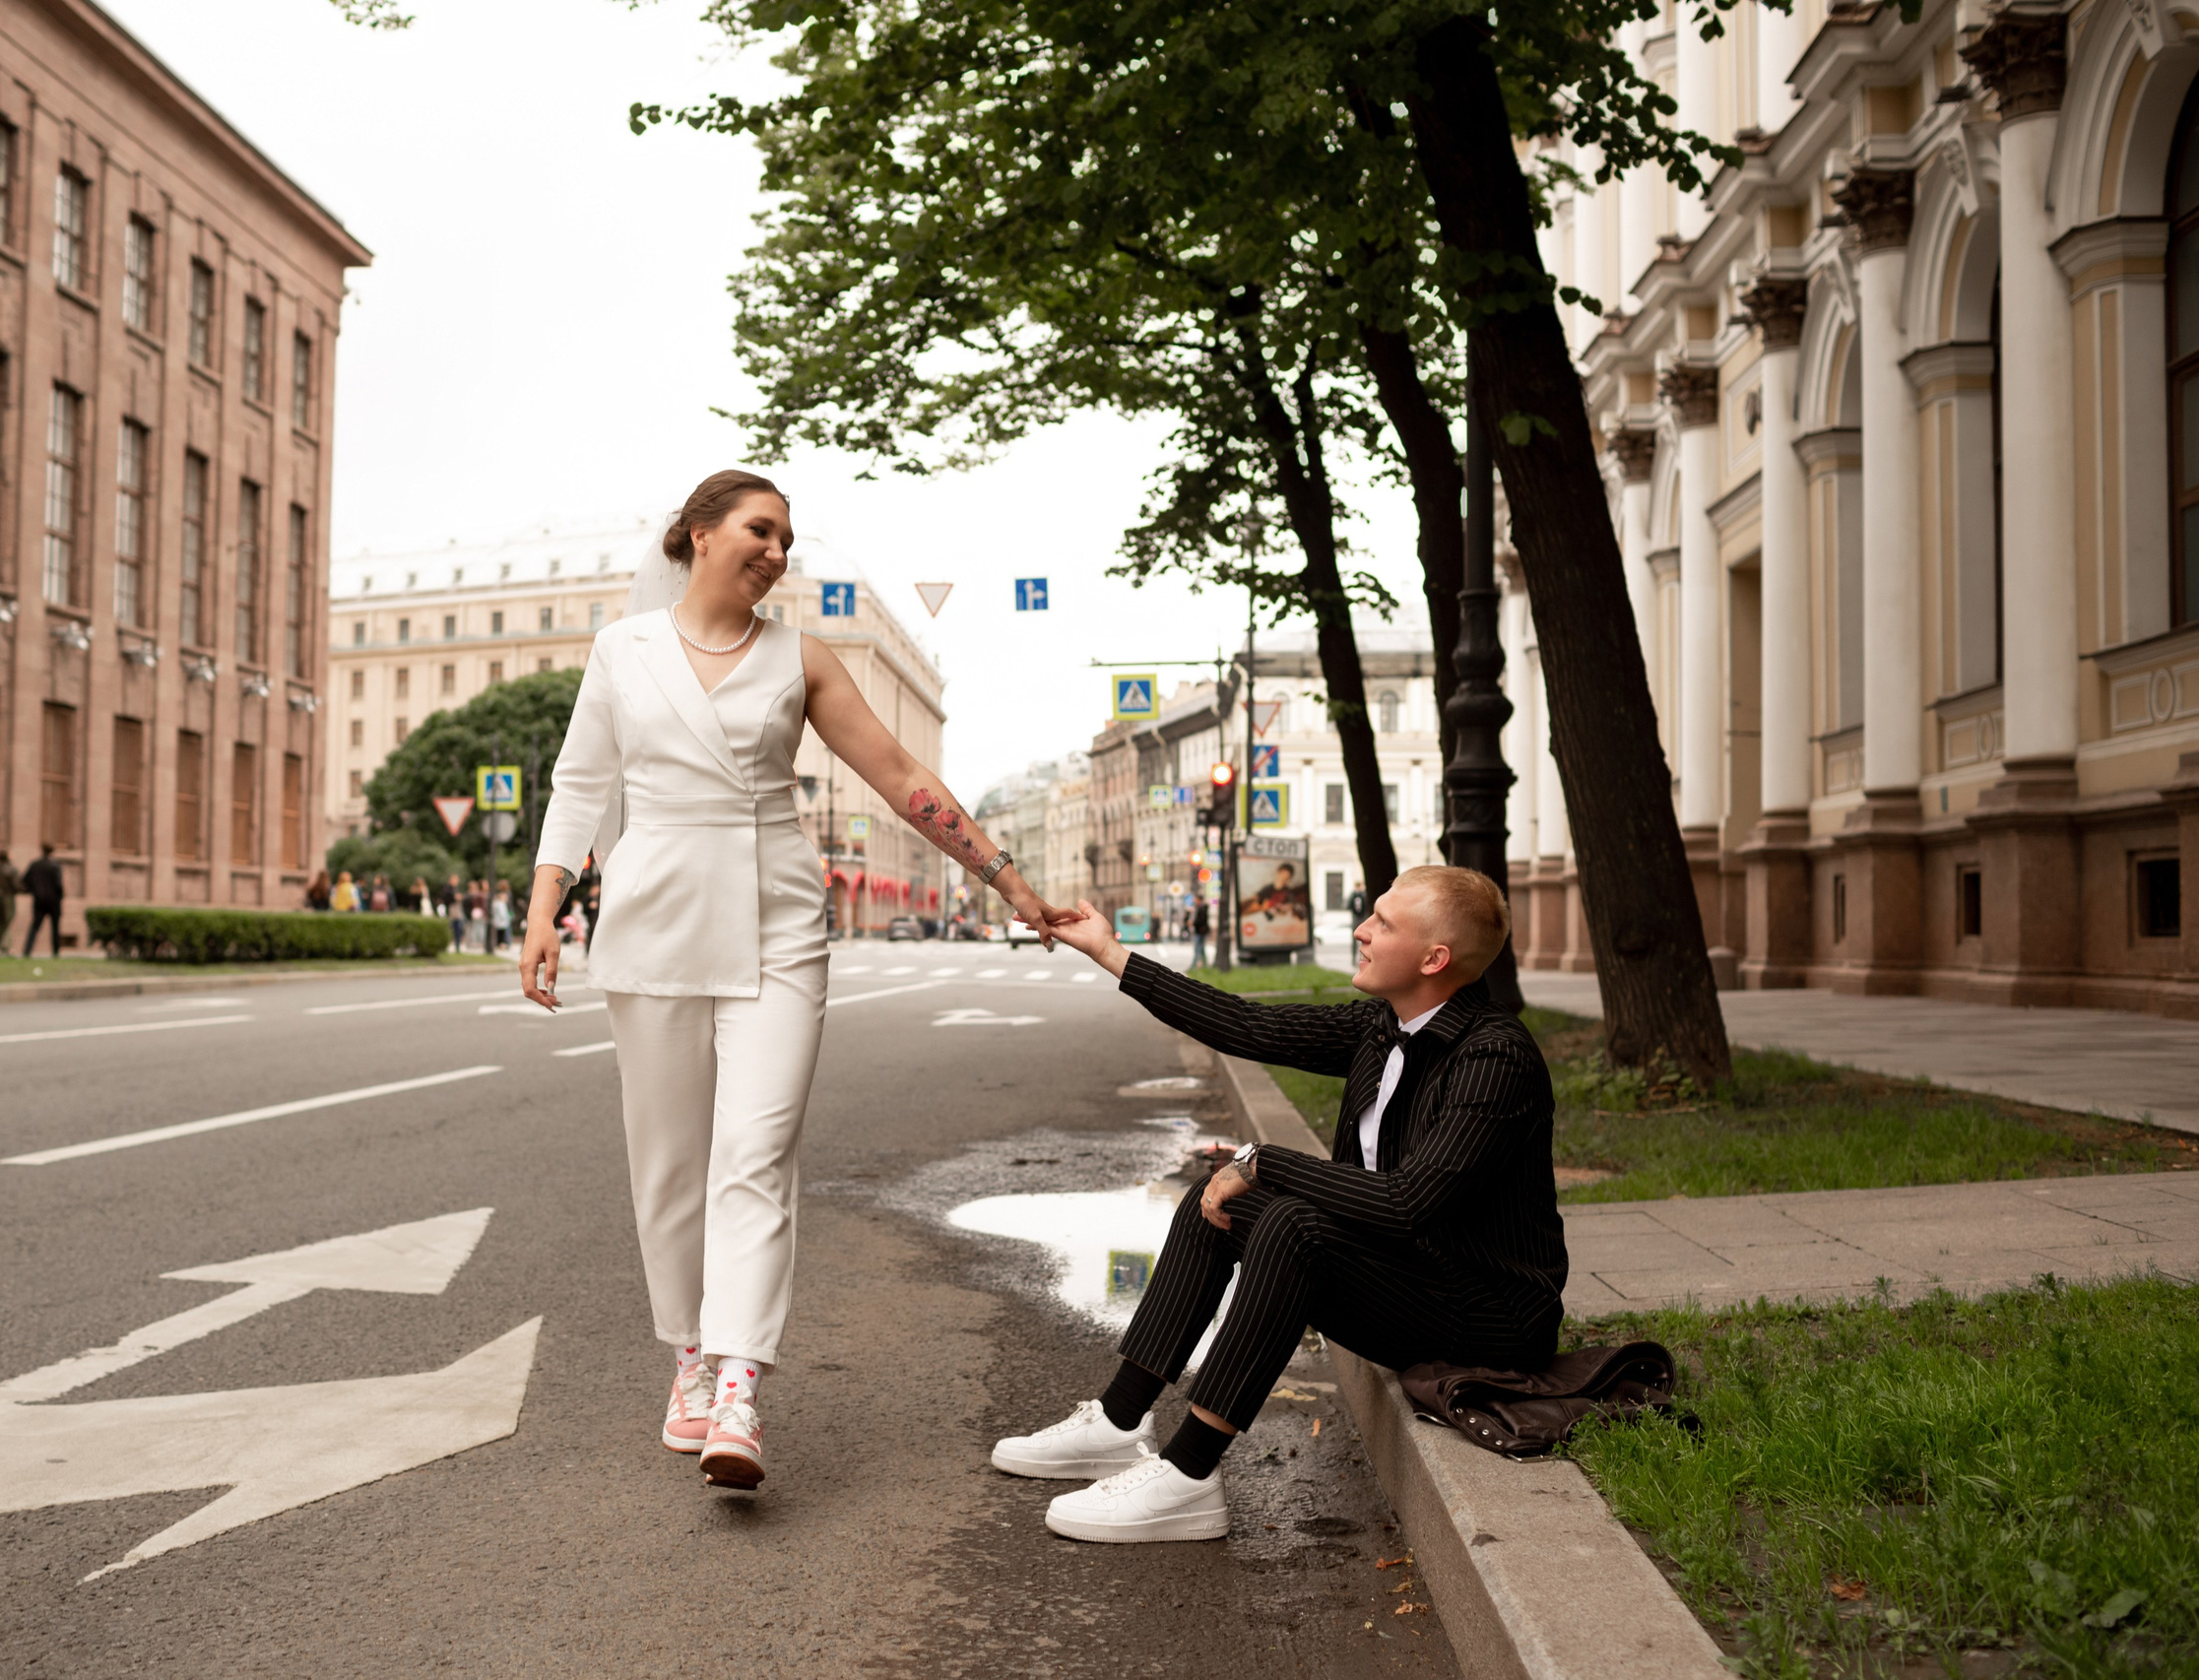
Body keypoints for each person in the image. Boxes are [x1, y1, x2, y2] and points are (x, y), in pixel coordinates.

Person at [527, 468, 1074, 1494]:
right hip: (652, 917)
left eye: (787, 538)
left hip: (777, 916)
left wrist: (1007, 878)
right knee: (669, 1159)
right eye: (760, 529)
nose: (777, 552)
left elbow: (902, 778)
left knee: (757, 1148)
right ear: (697, 534)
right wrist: (544, 908)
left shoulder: (802, 657)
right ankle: (690, 1357)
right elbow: (579, 784)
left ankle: (739, 1384)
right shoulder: (621, 650)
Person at [990, 865, 1562, 1543]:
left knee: (1293, 1223)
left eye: (1383, 923)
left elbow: (1409, 1203)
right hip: (1409, 1276)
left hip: (1487, 1315)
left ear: (1434, 959)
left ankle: (1189, 1475)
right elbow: (1248, 1025)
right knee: (1221, 1202)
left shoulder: (1494, 1059)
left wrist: (1266, 1162)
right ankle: (1119, 1421)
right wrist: (1111, 953)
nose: (1362, 930)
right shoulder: (1383, 1025)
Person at [20, 845, 66, 958]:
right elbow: (59, 884)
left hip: (39, 899)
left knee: (35, 926)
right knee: (55, 927)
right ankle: (55, 952)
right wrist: (60, 896)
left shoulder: (35, 865)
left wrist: (33, 890)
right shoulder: (55, 866)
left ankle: (27, 950)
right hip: (53, 900)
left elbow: (24, 880)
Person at [1190, 895, 1209, 969]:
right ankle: (1205, 964)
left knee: (1197, 948)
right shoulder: (1200, 907)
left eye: (1195, 899)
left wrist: (1193, 923)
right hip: (1200, 931)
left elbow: (1201, 920)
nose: (1194, 900)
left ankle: (1194, 965)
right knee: (1201, 948)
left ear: (1199, 900)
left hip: (1200, 931)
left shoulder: (1202, 908)